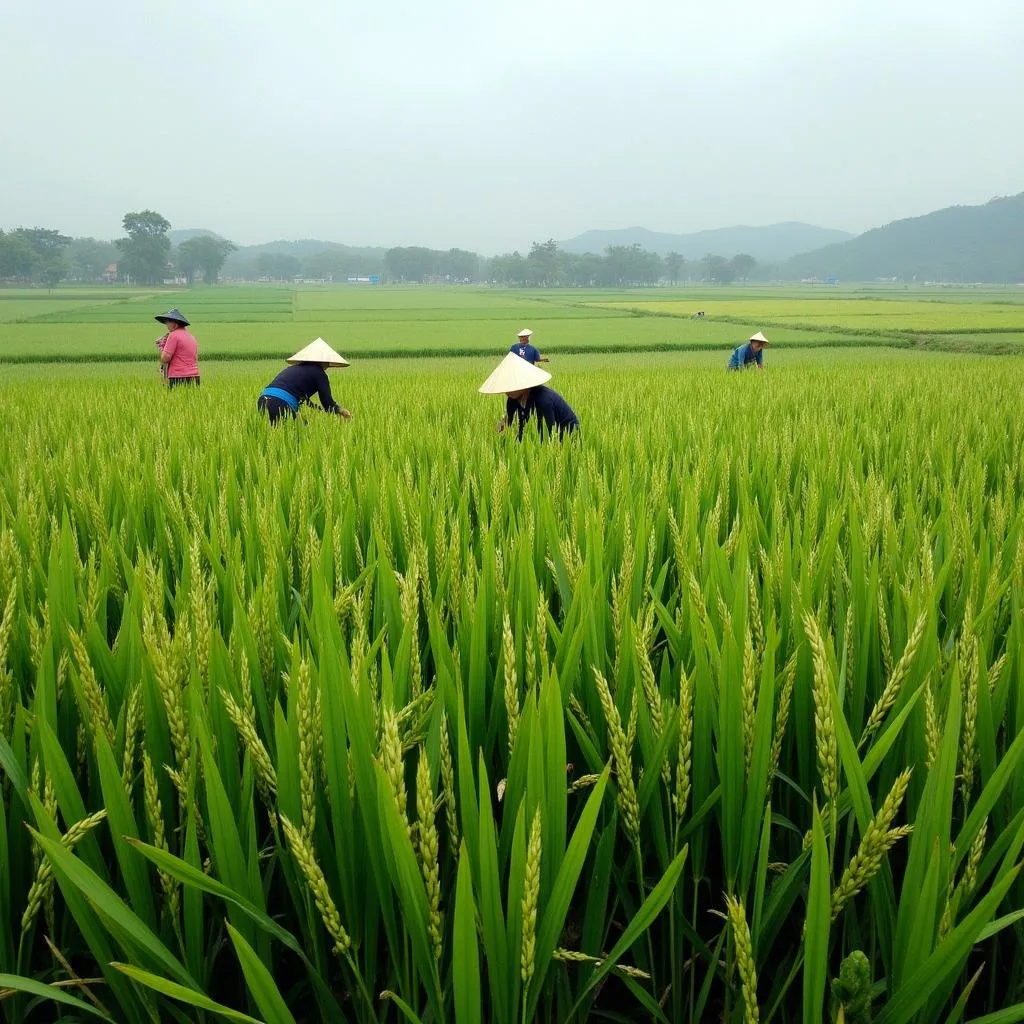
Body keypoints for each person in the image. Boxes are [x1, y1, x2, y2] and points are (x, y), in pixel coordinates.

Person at [480, 352, 579, 440]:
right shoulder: (512, 401)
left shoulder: (543, 400)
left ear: (523, 383)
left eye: (511, 384)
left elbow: (548, 433)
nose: (507, 390)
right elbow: (515, 426)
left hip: (567, 434)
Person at [257, 338, 354, 424]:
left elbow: (305, 399)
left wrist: (318, 409)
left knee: (274, 432)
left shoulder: (294, 369)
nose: (328, 365)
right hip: (281, 403)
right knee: (300, 435)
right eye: (327, 361)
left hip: (263, 399)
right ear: (321, 360)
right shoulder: (320, 374)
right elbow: (328, 403)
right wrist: (342, 411)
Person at [155, 308, 200, 387]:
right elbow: (195, 358)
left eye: (168, 322)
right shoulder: (192, 337)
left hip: (178, 377)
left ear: (175, 324)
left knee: (176, 399)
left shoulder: (173, 336)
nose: (167, 325)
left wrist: (162, 347)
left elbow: (165, 358)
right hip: (195, 377)